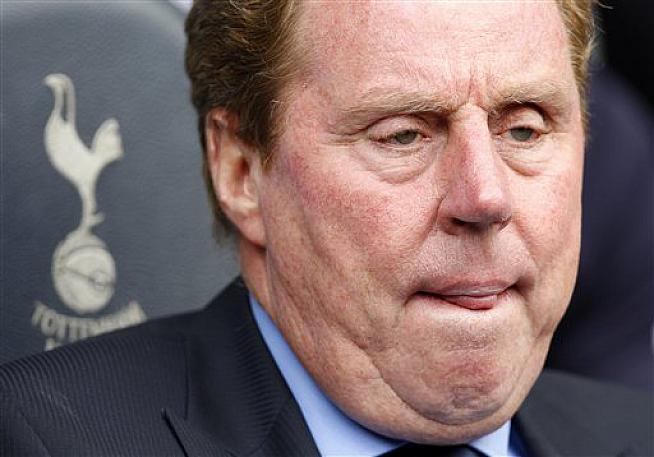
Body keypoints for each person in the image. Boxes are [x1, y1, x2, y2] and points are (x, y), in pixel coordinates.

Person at [1, 1, 651, 456]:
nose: (485, 196)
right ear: (241, 171)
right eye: (403, 135)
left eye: (525, 129)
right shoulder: (44, 439)